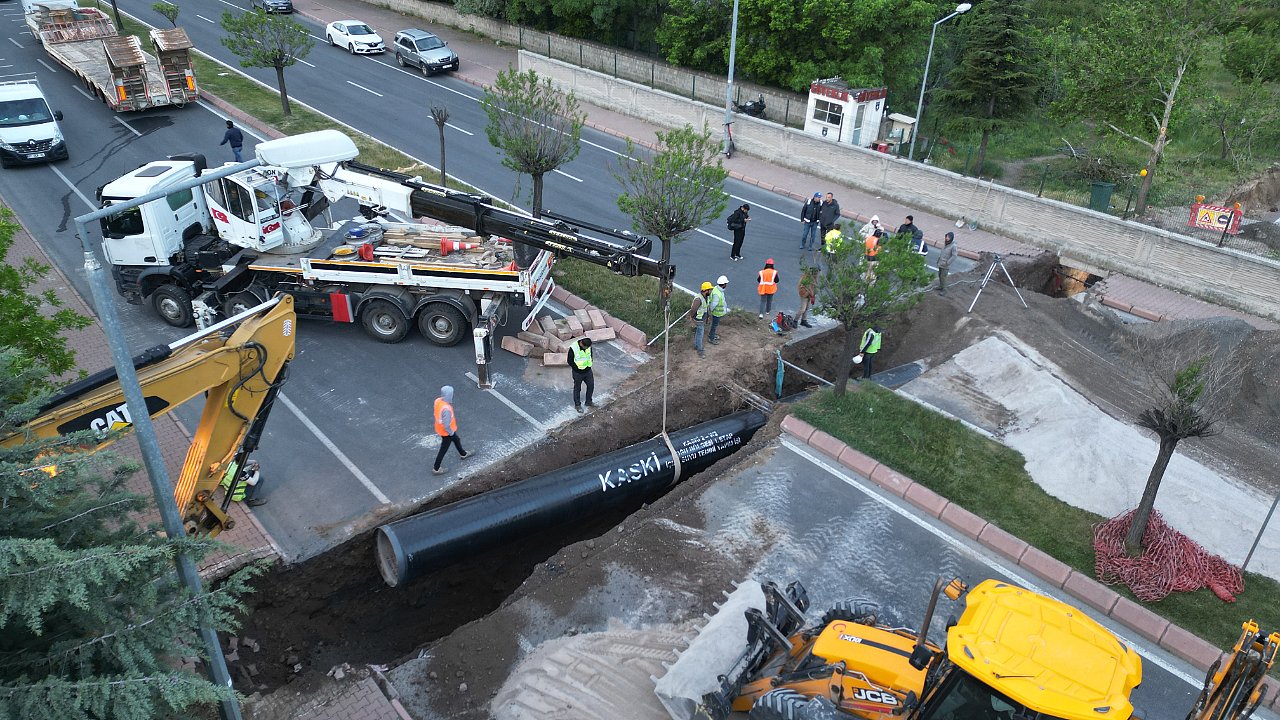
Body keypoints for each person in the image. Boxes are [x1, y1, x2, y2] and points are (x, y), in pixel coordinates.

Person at [432, 385, 469, 475]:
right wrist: (451, 433)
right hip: (447, 432)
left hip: (440, 428)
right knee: (444, 449)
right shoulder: (446, 409)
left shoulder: (438, 401)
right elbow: (447, 425)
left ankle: (463, 453)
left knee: (457, 440)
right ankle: (436, 468)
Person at [568, 336, 595, 412]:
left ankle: (588, 402)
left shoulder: (588, 346)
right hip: (578, 373)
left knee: (591, 385)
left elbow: (590, 355)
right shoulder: (573, 348)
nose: (587, 349)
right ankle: (577, 405)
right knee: (577, 388)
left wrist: (590, 363)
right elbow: (569, 361)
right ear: (581, 344)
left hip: (588, 371)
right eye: (585, 347)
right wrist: (576, 368)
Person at [691, 281, 712, 357]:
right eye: (710, 290)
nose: (711, 291)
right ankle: (700, 350)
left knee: (699, 333)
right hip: (699, 320)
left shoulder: (706, 297)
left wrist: (708, 316)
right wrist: (692, 317)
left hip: (702, 319)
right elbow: (693, 310)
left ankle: (696, 345)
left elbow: (705, 307)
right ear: (706, 290)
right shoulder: (698, 299)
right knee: (700, 334)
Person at [708, 275, 729, 344]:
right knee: (714, 325)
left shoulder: (716, 289)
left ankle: (712, 335)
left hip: (716, 312)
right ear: (723, 285)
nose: (726, 285)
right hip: (716, 313)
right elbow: (713, 304)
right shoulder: (717, 294)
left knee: (714, 325)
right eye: (726, 284)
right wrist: (710, 311)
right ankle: (711, 338)